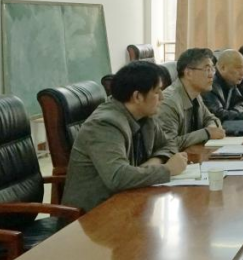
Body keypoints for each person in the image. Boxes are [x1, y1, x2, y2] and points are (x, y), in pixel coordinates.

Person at [62, 61, 188, 212]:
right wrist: (167, 169)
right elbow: (118, 177)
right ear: (137, 96)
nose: (162, 97)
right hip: (91, 214)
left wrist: (155, 161)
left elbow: (169, 144)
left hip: (128, 201)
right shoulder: (105, 124)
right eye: (157, 91)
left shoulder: (145, 115)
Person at [157, 48, 226, 151]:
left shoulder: (195, 94)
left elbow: (211, 118)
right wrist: (206, 133)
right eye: (207, 69)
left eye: (213, 69)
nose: (212, 75)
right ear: (188, 73)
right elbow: (168, 144)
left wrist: (212, 127)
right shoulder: (169, 102)